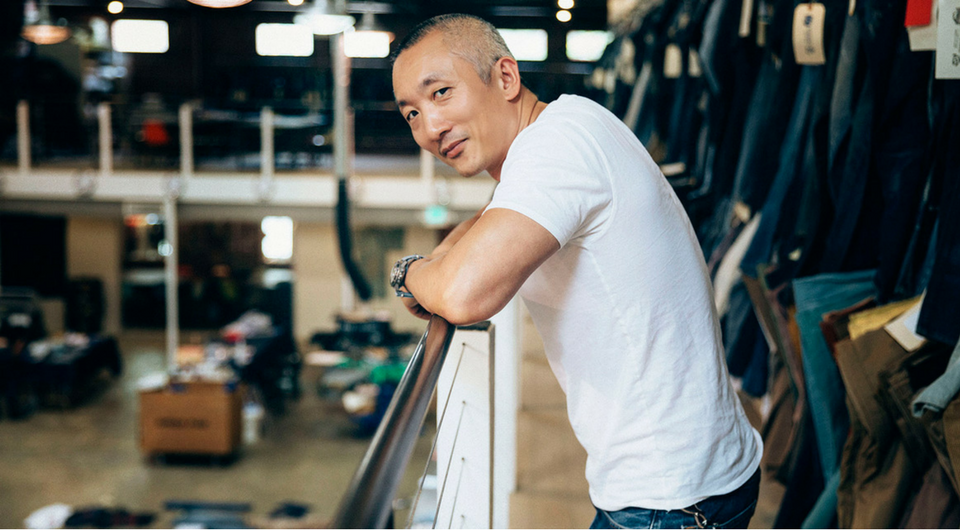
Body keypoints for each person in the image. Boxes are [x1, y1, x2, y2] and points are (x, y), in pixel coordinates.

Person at [389, 13, 763, 529]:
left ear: (505, 77)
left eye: (441, 93)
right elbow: (482, 225)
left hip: (670, 495)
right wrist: (436, 265)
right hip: (694, 472)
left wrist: (407, 272)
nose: (430, 128)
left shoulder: (556, 150)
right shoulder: (566, 124)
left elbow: (461, 294)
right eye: (411, 113)